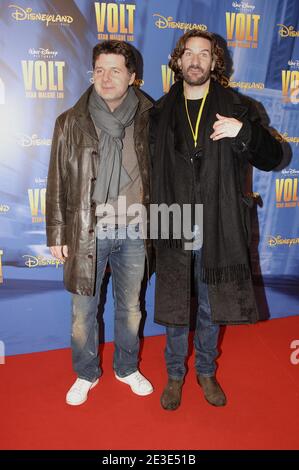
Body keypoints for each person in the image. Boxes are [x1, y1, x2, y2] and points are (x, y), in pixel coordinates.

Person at [150, 30, 282, 410]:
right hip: (174, 218)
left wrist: (246, 133)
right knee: (175, 304)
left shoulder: (240, 108)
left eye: (204, 54)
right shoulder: (158, 113)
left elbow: (274, 157)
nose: (195, 60)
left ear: (214, 62)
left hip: (218, 221)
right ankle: (175, 374)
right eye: (188, 53)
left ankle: (205, 371)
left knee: (210, 303)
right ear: (178, 60)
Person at [46, 40, 153, 406]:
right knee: (82, 313)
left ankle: (127, 367)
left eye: (116, 70)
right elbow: (58, 180)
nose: (106, 78)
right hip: (87, 229)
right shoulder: (71, 122)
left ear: (132, 77)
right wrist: (57, 231)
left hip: (136, 228)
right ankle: (85, 372)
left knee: (131, 308)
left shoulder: (150, 117)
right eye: (100, 70)